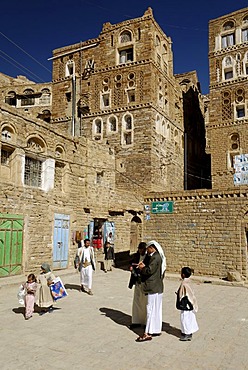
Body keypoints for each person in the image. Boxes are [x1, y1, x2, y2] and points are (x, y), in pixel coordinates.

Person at [136, 240, 166, 342]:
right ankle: (155, 329)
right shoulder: (153, 256)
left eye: (147, 248)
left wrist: (142, 268)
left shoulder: (156, 257)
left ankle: (147, 333)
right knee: (155, 309)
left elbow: (149, 270)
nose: (146, 250)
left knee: (150, 309)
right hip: (157, 287)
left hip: (153, 287)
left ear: (151, 248)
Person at [176, 266, 199, 341]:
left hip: (186, 304)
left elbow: (185, 294)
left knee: (185, 318)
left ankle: (187, 334)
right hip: (190, 304)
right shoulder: (189, 281)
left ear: (183, 274)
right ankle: (186, 331)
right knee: (189, 318)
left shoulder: (184, 283)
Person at [128, 242, 147, 328]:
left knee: (145, 302)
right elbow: (131, 263)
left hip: (144, 282)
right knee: (136, 301)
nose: (140, 251)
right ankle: (136, 321)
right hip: (137, 281)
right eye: (139, 249)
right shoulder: (136, 256)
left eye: (142, 249)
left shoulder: (148, 257)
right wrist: (132, 267)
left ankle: (146, 322)